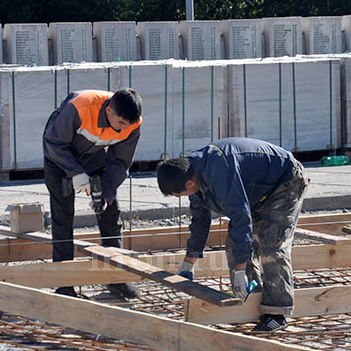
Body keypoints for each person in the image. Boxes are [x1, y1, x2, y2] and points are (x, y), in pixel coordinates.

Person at [155, 137, 309, 332]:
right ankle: (252, 299)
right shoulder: (193, 175)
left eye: (179, 195)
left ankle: (277, 313)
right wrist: (189, 262)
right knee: (234, 244)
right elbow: (200, 222)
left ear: (189, 183)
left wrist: (239, 270)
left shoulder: (220, 172)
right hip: (258, 192)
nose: (183, 198)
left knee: (272, 244)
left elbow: (241, 218)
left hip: (285, 183)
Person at [43, 88, 143, 299]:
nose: (123, 128)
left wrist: (105, 195)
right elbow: (53, 142)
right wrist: (75, 173)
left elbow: (120, 162)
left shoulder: (132, 123)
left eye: (128, 125)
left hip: (94, 154)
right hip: (59, 156)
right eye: (121, 123)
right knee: (63, 218)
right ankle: (64, 285)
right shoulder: (80, 107)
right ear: (109, 110)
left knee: (110, 213)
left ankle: (116, 278)